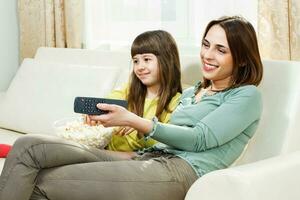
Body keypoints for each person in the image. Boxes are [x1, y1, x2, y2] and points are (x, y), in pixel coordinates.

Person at [0, 16, 263, 200]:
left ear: (240, 59)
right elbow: (165, 141)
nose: (207, 55)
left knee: (42, 182)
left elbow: (199, 139)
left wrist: (135, 121)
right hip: (150, 158)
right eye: (206, 45)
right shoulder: (194, 91)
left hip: (181, 172)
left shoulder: (246, 96)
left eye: (221, 50)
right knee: (29, 147)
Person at [97, 30, 182, 151]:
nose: (140, 67)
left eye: (147, 59)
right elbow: (107, 103)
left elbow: (166, 144)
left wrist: (138, 125)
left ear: (167, 60)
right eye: (136, 61)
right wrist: (95, 114)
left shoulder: (176, 102)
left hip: (134, 161)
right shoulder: (128, 90)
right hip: (105, 150)